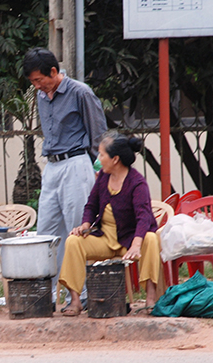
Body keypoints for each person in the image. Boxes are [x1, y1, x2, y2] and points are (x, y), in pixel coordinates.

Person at [23, 47, 108, 305]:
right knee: (46, 231)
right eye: (33, 83)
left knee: (77, 229)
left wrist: (99, 175)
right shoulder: (41, 96)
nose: (38, 86)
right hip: (52, 166)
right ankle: (46, 296)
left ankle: (81, 295)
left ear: (53, 71)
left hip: (77, 164)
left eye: (40, 80)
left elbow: (99, 135)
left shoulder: (80, 92)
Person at [58, 131, 161, 316]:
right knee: (73, 241)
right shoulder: (103, 179)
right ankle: (75, 300)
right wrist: (84, 225)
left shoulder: (137, 183)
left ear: (115, 159)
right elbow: (91, 205)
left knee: (152, 239)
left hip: (129, 240)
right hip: (105, 239)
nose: (98, 159)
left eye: (101, 154)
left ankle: (151, 298)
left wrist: (137, 244)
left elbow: (144, 217)